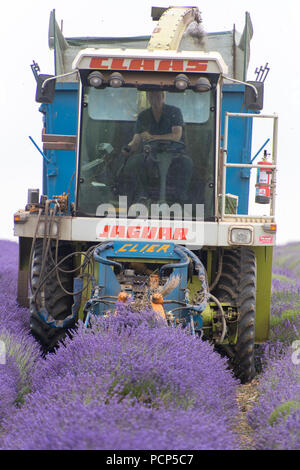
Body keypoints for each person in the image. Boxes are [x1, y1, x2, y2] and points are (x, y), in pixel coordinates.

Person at [121, 90, 193, 204]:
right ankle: (142, 196)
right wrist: (128, 148)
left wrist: (152, 137)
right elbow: (136, 140)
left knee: (187, 164)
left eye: (157, 95)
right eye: (152, 95)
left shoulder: (174, 112)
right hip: (149, 154)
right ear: (148, 97)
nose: (155, 98)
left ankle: (181, 197)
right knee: (133, 162)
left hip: (174, 154)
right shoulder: (143, 116)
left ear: (163, 96)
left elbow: (176, 135)